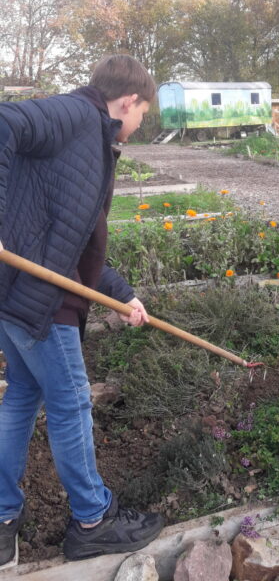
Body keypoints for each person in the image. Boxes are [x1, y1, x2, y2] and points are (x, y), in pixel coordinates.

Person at [0, 54, 164, 566]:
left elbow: (75, 242)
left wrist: (122, 293)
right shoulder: (77, 117)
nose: (139, 126)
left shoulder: (92, 142)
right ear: (128, 101)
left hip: (17, 294)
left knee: (24, 395)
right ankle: (93, 519)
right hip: (39, 302)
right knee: (71, 404)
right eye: (143, 115)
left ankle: (2, 521)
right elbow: (4, 120)